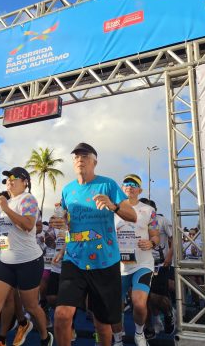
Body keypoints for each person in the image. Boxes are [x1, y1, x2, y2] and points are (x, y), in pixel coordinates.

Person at [50, 142, 137, 346]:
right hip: (74, 260)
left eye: (85, 156)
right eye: (76, 156)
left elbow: (132, 215)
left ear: (94, 162)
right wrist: (62, 232)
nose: (80, 159)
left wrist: (113, 206)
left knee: (102, 324)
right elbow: (69, 224)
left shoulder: (108, 185)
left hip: (104, 261)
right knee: (62, 315)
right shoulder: (68, 190)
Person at [0, 167, 52, 346]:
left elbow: (28, 225)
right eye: (7, 179)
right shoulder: (4, 205)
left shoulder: (28, 199)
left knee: (31, 306)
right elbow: (1, 229)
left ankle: (45, 337)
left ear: (25, 182)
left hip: (28, 261)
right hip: (4, 261)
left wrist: (5, 207)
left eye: (14, 178)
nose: (9, 181)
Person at [111, 175, 159, 346]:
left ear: (140, 190)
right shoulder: (112, 209)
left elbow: (155, 235)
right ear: (122, 188)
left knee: (139, 303)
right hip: (118, 265)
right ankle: (118, 339)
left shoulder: (149, 210)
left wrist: (151, 243)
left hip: (142, 264)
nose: (129, 187)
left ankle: (139, 333)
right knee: (115, 306)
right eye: (126, 184)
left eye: (133, 184)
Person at [140, 199, 175, 338]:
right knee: (142, 298)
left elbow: (174, 239)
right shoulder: (138, 222)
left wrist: (169, 257)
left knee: (156, 296)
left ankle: (168, 314)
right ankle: (149, 327)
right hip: (142, 264)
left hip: (160, 264)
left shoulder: (163, 221)